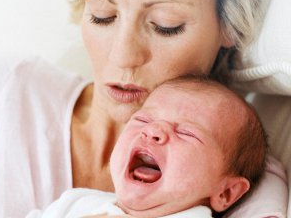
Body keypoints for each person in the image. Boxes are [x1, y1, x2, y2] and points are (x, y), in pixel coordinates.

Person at [0, 0, 283, 217]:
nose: (123, 57)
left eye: (166, 26)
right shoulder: (9, 89)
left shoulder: (239, 170)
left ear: (226, 28)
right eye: (102, 17)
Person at [26, 76, 267, 218]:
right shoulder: (76, 201)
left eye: (186, 132)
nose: (153, 131)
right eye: (142, 120)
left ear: (226, 192)